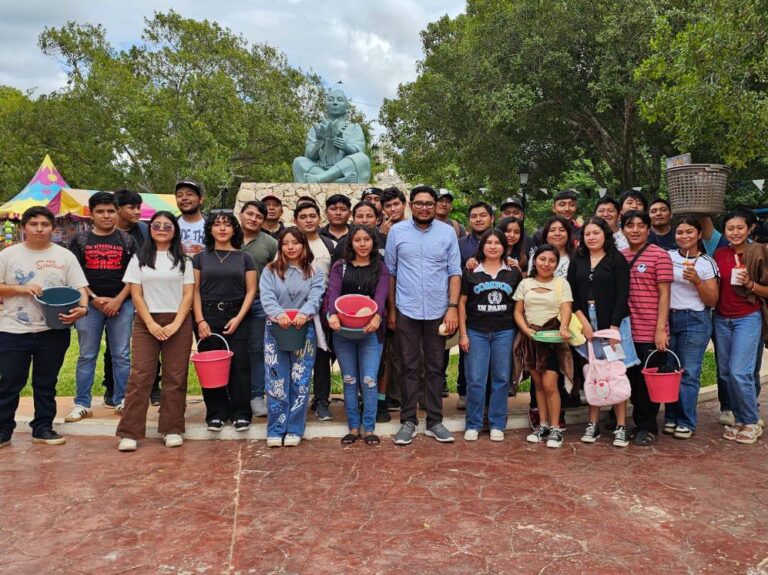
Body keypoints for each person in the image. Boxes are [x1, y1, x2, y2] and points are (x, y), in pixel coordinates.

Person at [0, 206, 88, 448]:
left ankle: (43, 428)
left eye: (45, 224)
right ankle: (3, 430)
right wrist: (20, 289)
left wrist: (83, 308)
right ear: (23, 228)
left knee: (46, 382)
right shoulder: (8, 255)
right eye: (33, 224)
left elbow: (80, 287)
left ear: (53, 228)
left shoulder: (65, 256)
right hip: (13, 330)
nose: (39, 229)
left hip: (53, 330)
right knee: (10, 382)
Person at [386, 185, 462, 445]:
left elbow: (455, 272)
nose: (424, 208)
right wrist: (392, 310)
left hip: (438, 310)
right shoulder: (397, 232)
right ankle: (408, 421)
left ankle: (434, 421)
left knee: (435, 367)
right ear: (410, 205)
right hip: (406, 309)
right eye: (419, 203)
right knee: (408, 366)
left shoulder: (447, 232)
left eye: (429, 203)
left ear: (435, 205)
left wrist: (452, 308)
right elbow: (391, 273)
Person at [115, 212, 195, 451]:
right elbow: (136, 294)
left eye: (167, 226)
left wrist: (176, 323)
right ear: (150, 229)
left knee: (175, 377)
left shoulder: (184, 260)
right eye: (156, 225)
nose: (161, 229)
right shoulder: (139, 258)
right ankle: (129, 432)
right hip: (146, 322)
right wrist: (150, 323)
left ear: (175, 230)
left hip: (177, 321)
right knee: (141, 376)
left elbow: (188, 294)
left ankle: (172, 428)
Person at [66, 192, 136, 420]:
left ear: (117, 213)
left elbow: (135, 275)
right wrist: (93, 298)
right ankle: (82, 403)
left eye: (111, 211)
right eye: (100, 211)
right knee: (87, 354)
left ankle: (122, 400)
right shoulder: (80, 240)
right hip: (88, 305)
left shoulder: (127, 240)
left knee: (122, 354)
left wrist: (118, 300)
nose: (106, 216)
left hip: (122, 305)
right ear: (91, 214)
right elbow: (75, 275)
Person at [567, 217, 632, 447]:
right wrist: (583, 321)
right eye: (587, 234)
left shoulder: (617, 259)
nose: (591, 237)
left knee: (615, 373)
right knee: (594, 373)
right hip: (586, 322)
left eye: (596, 233)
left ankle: (621, 425)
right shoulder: (578, 259)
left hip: (613, 323)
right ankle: (592, 424)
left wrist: (613, 327)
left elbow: (623, 295)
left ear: (605, 234)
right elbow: (571, 293)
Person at [260, 227, 325, 447]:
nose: (290, 247)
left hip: (304, 329)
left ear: (304, 245)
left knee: (300, 379)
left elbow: (316, 297)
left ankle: (295, 428)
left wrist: (304, 314)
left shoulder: (315, 271)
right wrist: (279, 314)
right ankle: (276, 429)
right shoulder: (270, 270)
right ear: (280, 247)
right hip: (275, 329)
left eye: (295, 242)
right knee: (276, 380)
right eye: (286, 243)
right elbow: (267, 297)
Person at [192, 212, 257, 432]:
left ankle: (240, 413)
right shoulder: (200, 258)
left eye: (227, 225)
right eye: (217, 224)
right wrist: (200, 320)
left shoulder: (245, 258)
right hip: (207, 316)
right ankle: (216, 414)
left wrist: (239, 317)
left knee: (240, 365)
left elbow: (251, 290)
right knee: (212, 367)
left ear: (234, 230)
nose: (222, 228)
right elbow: (194, 291)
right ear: (210, 230)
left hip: (237, 315)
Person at [326, 225, 390, 445]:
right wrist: (332, 316)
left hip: (370, 332)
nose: (362, 244)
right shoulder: (340, 267)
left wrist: (377, 317)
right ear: (350, 243)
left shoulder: (380, 267)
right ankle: (353, 427)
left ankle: (369, 428)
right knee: (350, 379)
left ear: (373, 242)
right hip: (343, 332)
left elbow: (381, 297)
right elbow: (332, 294)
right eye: (357, 240)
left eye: (366, 240)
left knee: (369, 380)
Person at [459, 229, 522, 442]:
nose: (493, 246)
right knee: (476, 379)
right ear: (482, 246)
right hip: (476, 331)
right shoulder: (471, 271)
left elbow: (520, 302)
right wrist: (463, 334)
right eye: (489, 242)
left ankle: (497, 423)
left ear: (504, 246)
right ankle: (473, 424)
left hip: (504, 331)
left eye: (497, 243)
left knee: (501, 378)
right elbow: (462, 304)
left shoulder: (513, 272)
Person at [713, 208, 768, 444]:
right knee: (726, 373)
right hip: (721, 318)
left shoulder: (759, 252)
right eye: (730, 228)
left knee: (740, 372)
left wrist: (750, 284)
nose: (735, 232)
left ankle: (752, 421)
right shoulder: (720, 254)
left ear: (750, 228)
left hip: (747, 317)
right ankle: (739, 418)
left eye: (740, 228)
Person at [663, 217, 719, 440]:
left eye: (689, 232)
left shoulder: (706, 263)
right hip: (669, 318)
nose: (684, 236)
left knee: (688, 372)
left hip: (694, 320)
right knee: (670, 370)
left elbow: (712, 300)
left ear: (698, 235)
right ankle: (670, 417)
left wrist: (697, 281)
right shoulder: (667, 257)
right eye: (680, 232)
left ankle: (686, 421)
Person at [513, 245, 574, 448]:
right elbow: (518, 312)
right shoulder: (525, 283)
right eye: (542, 259)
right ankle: (543, 425)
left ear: (556, 264)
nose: (546, 264)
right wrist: (526, 330)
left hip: (552, 340)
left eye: (551, 260)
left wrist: (563, 327)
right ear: (535, 261)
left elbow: (566, 308)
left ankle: (556, 428)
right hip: (531, 340)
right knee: (538, 385)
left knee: (550, 385)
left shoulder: (561, 283)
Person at [621, 210, 672, 446]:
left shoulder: (660, 255)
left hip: (650, 329)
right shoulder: (620, 256)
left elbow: (665, 294)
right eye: (630, 225)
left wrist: (661, 329)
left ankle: (649, 427)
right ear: (623, 230)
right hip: (627, 332)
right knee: (632, 380)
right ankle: (640, 423)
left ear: (648, 229)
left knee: (648, 381)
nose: (635, 230)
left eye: (641, 225)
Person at [112, 188, 160, 407]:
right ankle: (112, 388)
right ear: (118, 209)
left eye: (138, 207)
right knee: (116, 346)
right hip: (114, 295)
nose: (137, 212)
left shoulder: (143, 229)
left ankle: (153, 388)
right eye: (131, 207)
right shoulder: (109, 231)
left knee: (151, 339)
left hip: (144, 293)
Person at [294, 201, 337, 421]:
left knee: (322, 355)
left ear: (319, 218)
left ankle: (321, 400)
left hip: (322, 309)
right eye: (303, 217)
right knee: (295, 356)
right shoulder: (289, 243)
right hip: (294, 309)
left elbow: (336, 277)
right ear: (295, 221)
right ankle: (295, 400)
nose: (309, 220)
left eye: (312, 216)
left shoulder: (330, 245)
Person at [239, 200, 279, 418]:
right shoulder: (228, 237)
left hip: (259, 304)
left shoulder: (270, 243)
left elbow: (278, 273)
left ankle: (257, 395)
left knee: (257, 350)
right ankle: (234, 395)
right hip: (231, 303)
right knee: (235, 350)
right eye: (250, 214)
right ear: (241, 214)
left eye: (259, 217)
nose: (253, 219)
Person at [456, 201, 495, 406]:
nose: (478, 219)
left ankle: (492, 397)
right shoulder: (461, 244)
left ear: (492, 218)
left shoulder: (499, 240)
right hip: (469, 304)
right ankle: (464, 391)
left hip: (496, 307)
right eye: (474, 216)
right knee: (467, 349)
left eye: (483, 215)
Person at [292, 89, 371, 184]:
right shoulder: (316, 128)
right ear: (326, 105)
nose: (335, 103)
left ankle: (320, 179)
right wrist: (317, 147)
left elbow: (359, 151)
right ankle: (338, 181)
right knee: (298, 161)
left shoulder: (354, 128)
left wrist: (346, 147)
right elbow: (309, 155)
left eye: (339, 100)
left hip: (343, 170)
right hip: (319, 169)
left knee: (363, 158)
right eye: (331, 99)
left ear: (346, 106)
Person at [175, 179, 206, 255]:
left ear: (201, 199)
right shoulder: (171, 225)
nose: (184, 198)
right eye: (179, 195)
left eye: (189, 194)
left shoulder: (212, 225)